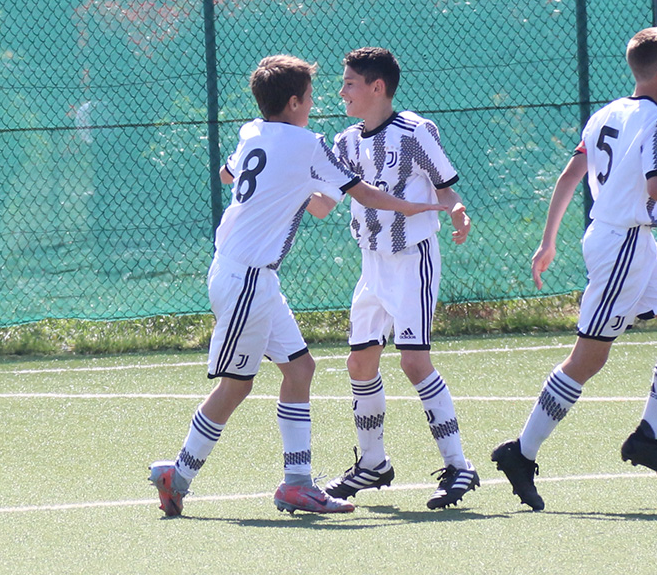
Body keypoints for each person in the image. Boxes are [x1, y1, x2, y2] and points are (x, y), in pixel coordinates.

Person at [148, 54, 445, 517]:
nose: (314, 102)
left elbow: (228, 174)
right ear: (292, 103)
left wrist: (286, 185)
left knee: (301, 369)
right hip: (246, 280)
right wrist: (415, 208)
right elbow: (363, 193)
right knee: (236, 386)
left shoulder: (252, 131)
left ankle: (297, 484)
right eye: (308, 96)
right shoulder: (308, 145)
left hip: (250, 276)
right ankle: (179, 474)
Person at [491, 27, 657, 511]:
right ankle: (521, 452)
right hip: (622, 245)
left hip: (632, 242)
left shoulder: (606, 113)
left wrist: (548, 241)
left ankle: (649, 436)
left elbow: (570, 175)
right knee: (588, 359)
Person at [321, 47, 478, 510]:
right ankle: (373, 463)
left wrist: (457, 210)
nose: (342, 91)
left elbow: (446, 189)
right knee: (359, 364)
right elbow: (324, 200)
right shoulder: (345, 142)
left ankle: (459, 466)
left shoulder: (415, 132)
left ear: (377, 87)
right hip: (372, 263)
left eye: (349, 83)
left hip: (412, 259)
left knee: (414, 362)